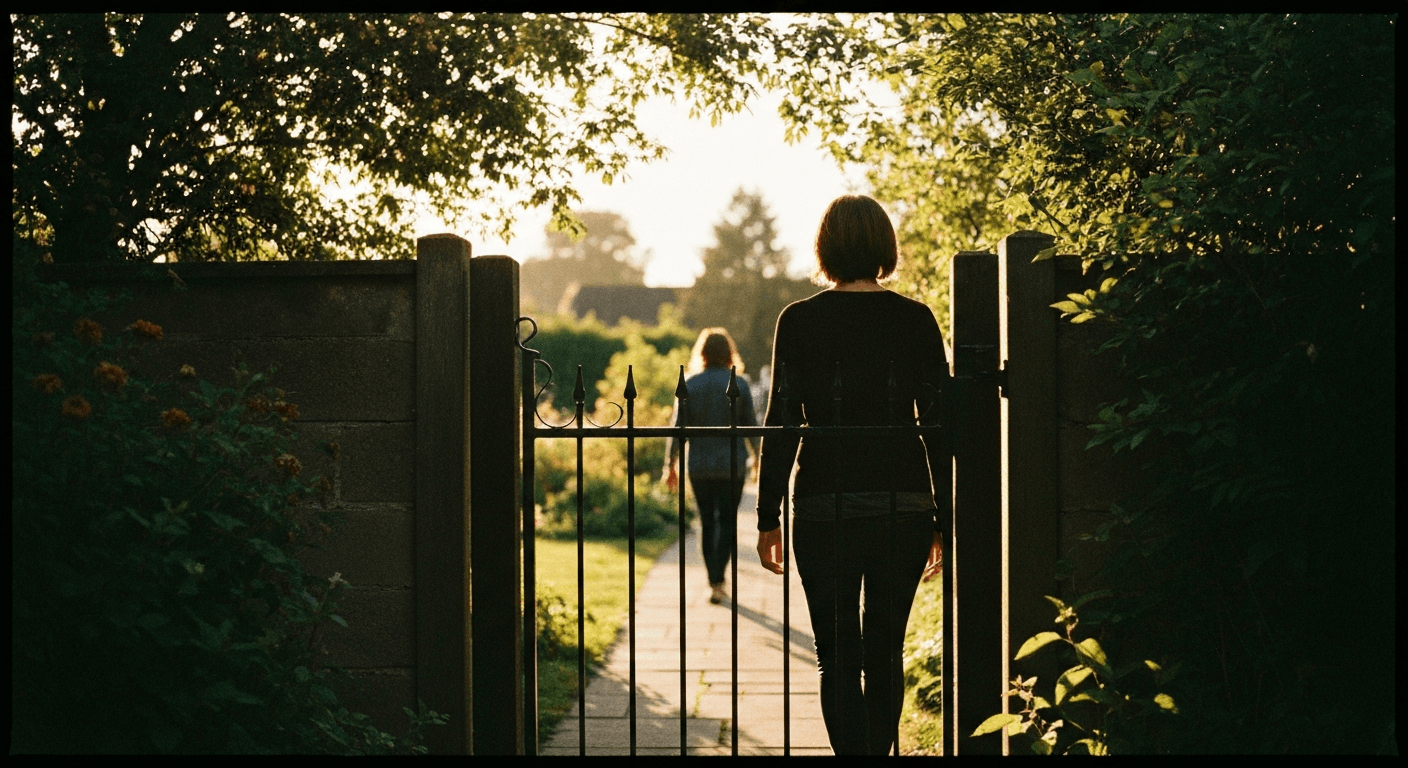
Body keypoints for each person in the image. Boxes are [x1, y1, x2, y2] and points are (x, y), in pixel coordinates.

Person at [754, 194, 947, 755]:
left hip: (824, 505)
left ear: (826, 248)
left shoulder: (799, 320)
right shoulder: (915, 319)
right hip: (903, 505)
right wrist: (943, 516)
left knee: (836, 655)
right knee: (886, 651)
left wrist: (768, 517)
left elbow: (782, 423)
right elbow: (940, 428)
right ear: (886, 245)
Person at [664, 328, 761, 605]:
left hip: (700, 465)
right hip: (732, 464)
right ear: (730, 353)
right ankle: (720, 579)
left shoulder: (691, 383)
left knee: (706, 521)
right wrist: (758, 457)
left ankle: (713, 580)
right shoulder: (739, 383)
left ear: (702, 353)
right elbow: (751, 426)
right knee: (727, 521)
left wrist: (670, 464)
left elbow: (678, 428)